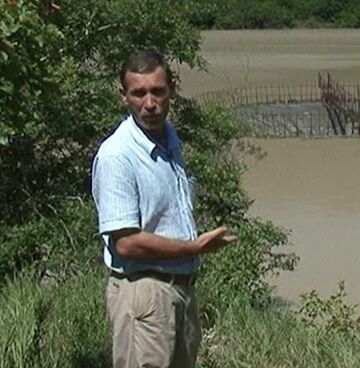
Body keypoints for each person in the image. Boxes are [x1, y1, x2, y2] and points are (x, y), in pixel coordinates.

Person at [91, 50, 237, 368]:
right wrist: (194, 247)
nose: (149, 103)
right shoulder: (118, 155)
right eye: (138, 93)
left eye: (158, 91)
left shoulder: (168, 140)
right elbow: (126, 243)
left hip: (179, 291)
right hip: (144, 293)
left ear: (173, 88)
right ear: (123, 96)